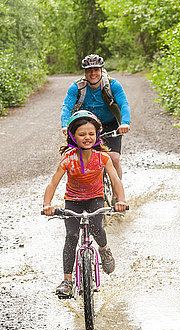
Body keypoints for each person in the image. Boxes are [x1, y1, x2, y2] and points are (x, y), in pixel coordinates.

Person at [43, 110, 128, 298]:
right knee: (71, 236)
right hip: (72, 200)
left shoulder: (102, 158)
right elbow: (53, 182)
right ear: (73, 136)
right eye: (82, 134)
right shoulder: (68, 159)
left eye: (91, 134)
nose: (87, 138)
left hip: (95, 198)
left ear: (97, 135)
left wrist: (120, 201)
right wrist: (47, 204)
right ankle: (67, 280)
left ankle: (104, 250)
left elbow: (115, 180)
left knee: (97, 228)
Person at [61, 54, 131, 180]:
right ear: (85, 72)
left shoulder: (112, 85)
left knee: (114, 158)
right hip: (87, 128)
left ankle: (117, 195)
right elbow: (66, 107)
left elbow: (123, 104)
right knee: (84, 160)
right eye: (89, 70)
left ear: (101, 70)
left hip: (110, 125)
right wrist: (65, 125)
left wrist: (125, 123)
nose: (93, 73)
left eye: (96, 70)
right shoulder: (76, 87)